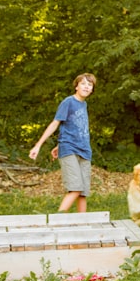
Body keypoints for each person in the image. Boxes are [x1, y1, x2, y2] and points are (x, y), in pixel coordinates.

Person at [29, 73, 96, 212]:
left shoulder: (84, 105)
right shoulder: (68, 102)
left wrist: (58, 145)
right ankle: (57, 220)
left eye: (90, 85)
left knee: (83, 192)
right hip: (70, 149)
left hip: (85, 151)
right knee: (76, 188)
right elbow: (55, 123)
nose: (86, 87)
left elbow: (72, 127)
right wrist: (38, 145)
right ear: (76, 86)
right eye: (83, 83)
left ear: (92, 90)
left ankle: (82, 225)